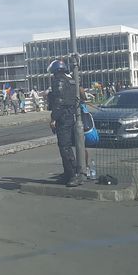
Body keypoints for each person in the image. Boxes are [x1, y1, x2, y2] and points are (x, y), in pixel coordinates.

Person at [47, 58, 85, 187]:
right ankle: (69, 174)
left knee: (65, 147)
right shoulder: (72, 80)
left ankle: (73, 175)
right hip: (71, 114)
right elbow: (80, 96)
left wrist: (53, 118)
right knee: (67, 146)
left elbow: (58, 102)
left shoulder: (59, 81)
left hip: (63, 116)